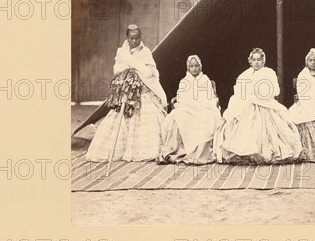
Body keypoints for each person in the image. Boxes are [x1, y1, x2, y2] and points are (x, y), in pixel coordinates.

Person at [86, 25, 167, 163]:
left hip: (142, 89)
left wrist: (134, 70)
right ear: (127, 38)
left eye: (137, 38)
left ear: (140, 38)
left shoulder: (145, 52)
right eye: (131, 38)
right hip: (127, 90)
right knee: (119, 117)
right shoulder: (121, 52)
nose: (134, 41)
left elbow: (150, 72)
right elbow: (117, 69)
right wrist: (129, 73)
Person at [214, 48, 303, 164]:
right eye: (254, 60)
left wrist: (257, 94)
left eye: (259, 60)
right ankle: (244, 151)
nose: (256, 62)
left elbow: (275, 91)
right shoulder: (244, 74)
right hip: (247, 104)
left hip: (264, 104)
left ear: (263, 61)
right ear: (250, 61)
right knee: (240, 116)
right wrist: (247, 96)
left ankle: (265, 151)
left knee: (267, 124)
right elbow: (239, 91)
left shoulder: (269, 73)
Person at [160, 55, 222, 165]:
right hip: (187, 108)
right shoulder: (184, 81)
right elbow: (182, 98)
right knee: (175, 116)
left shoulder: (205, 80)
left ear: (200, 67)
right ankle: (178, 150)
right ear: (188, 67)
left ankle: (200, 153)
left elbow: (209, 98)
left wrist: (198, 105)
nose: (194, 68)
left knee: (211, 117)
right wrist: (190, 104)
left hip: (203, 108)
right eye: (191, 66)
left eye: (196, 66)